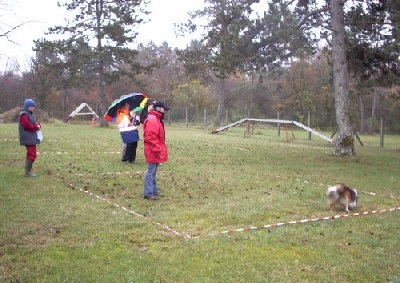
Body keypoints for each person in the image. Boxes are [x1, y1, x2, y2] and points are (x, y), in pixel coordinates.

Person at [142, 101, 170, 200]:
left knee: (153, 170)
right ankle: (148, 193)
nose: (165, 111)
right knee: (150, 171)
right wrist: (159, 148)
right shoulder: (152, 119)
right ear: (158, 108)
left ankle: (153, 190)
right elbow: (150, 136)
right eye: (164, 108)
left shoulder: (156, 119)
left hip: (155, 148)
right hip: (152, 149)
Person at [19, 99, 42, 177]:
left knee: (30, 154)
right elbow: (27, 125)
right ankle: (28, 172)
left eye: (34, 106)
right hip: (28, 137)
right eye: (32, 106)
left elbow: (31, 123)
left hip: (30, 137)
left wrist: (38, 125)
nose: (33, 108)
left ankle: (27, 171)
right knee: (32, 154)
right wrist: (36, 127)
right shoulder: (24, 114)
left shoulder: (29, 113)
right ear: (27, 106)